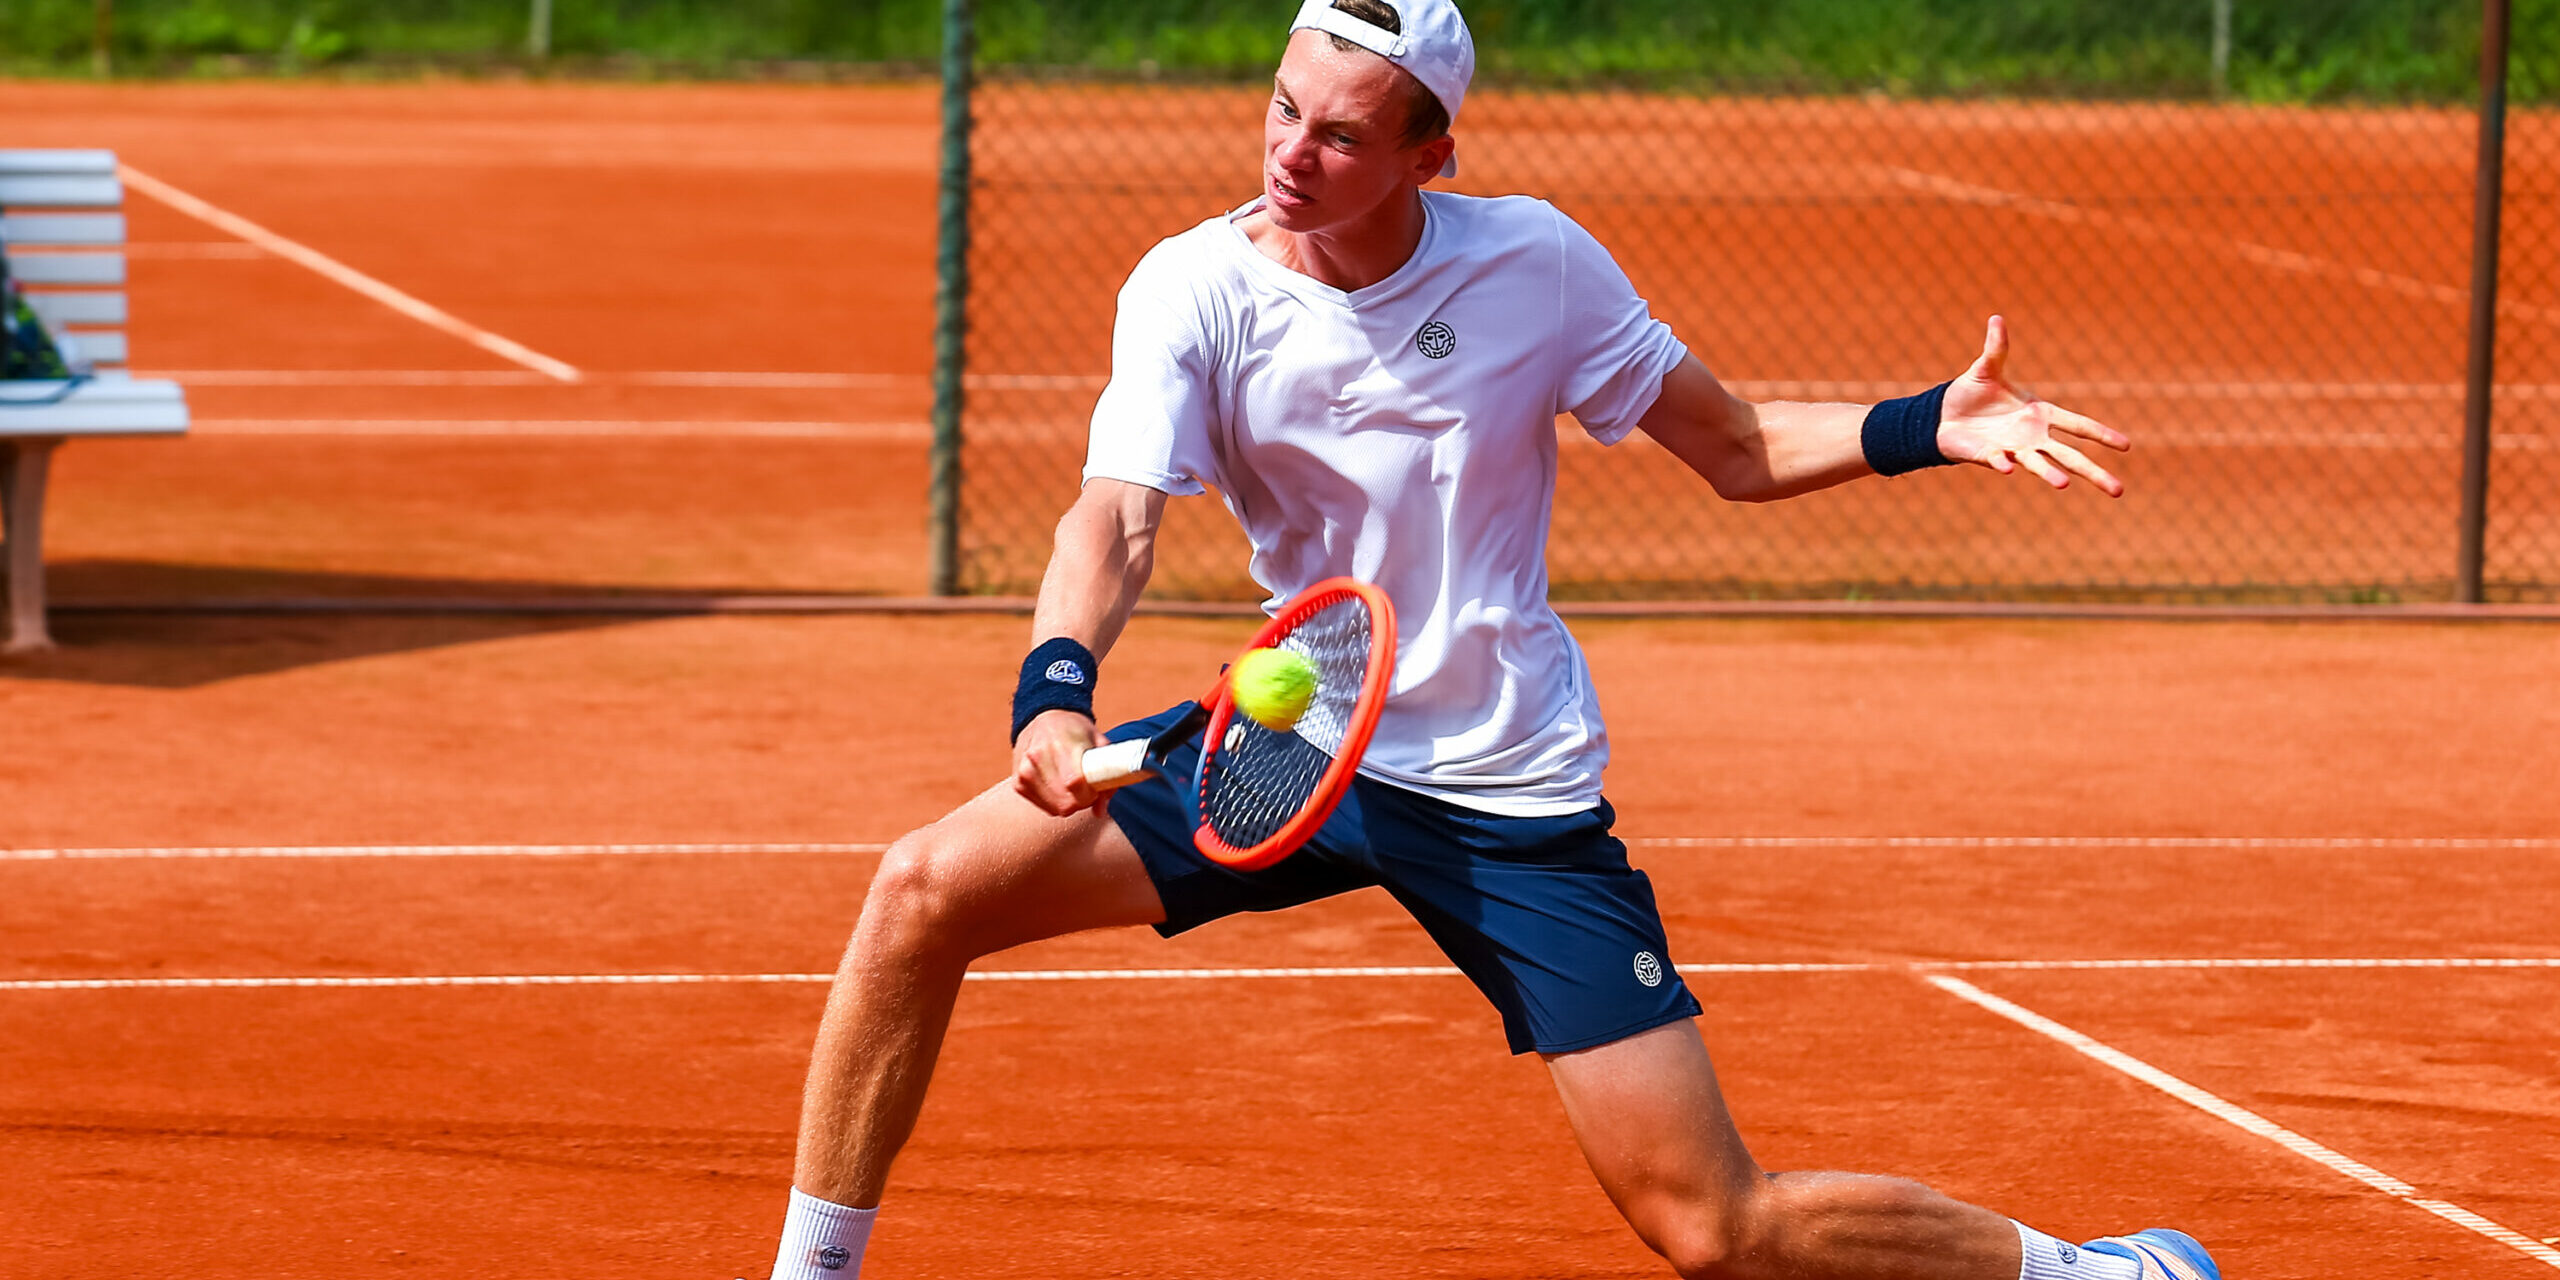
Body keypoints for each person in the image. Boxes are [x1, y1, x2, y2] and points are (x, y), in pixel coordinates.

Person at [761, 2, 2219, 1278]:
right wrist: (1055, 696)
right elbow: (1114, 521)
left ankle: (2099, 1275)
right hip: (1289, 737)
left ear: (1426, 155)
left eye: (1339, 135)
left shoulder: (1536, 265)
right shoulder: (1191, 286)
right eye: (1282, 108)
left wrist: (1928, 427)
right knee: (919, 893)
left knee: (1716, 1226)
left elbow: (1738, 445)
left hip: (1503, 787)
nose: (1289, 153)